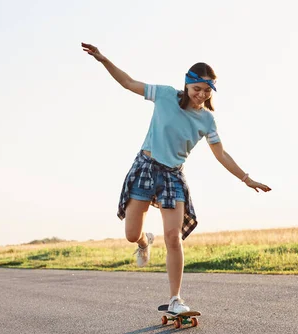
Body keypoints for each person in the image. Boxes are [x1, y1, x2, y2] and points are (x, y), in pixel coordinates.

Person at [81, 42, 271, 313]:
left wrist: (246, 178)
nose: (201, 95)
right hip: (146, 166)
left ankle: (175, 300)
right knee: (130, 233)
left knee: (173, 236)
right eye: (197, 89)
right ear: (186, 85)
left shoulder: (207, 120)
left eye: (207, 91)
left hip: (173, 176)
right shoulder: (165, 95)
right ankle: (144, 242)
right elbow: (127, 82)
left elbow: (221, 154)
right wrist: (103, 60)